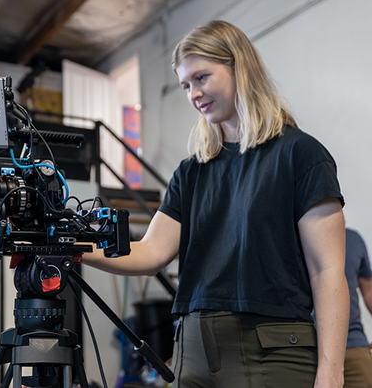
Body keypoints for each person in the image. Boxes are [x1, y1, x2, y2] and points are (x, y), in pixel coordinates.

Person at [82, 20, 348, 387]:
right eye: (185, 85)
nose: (193, 93)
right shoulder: (191, 172)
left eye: (202, 77)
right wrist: (71, 248)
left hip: (272, 351)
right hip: (193, 351)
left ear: (239, 66)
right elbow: (150, 253)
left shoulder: (301, 155)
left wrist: (331, 372)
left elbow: (327, 272)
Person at [343, 227, 372, 387]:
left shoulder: (353, 238)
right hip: (305, 344)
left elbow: (368, 286)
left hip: (353, 341)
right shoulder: (292, 236)